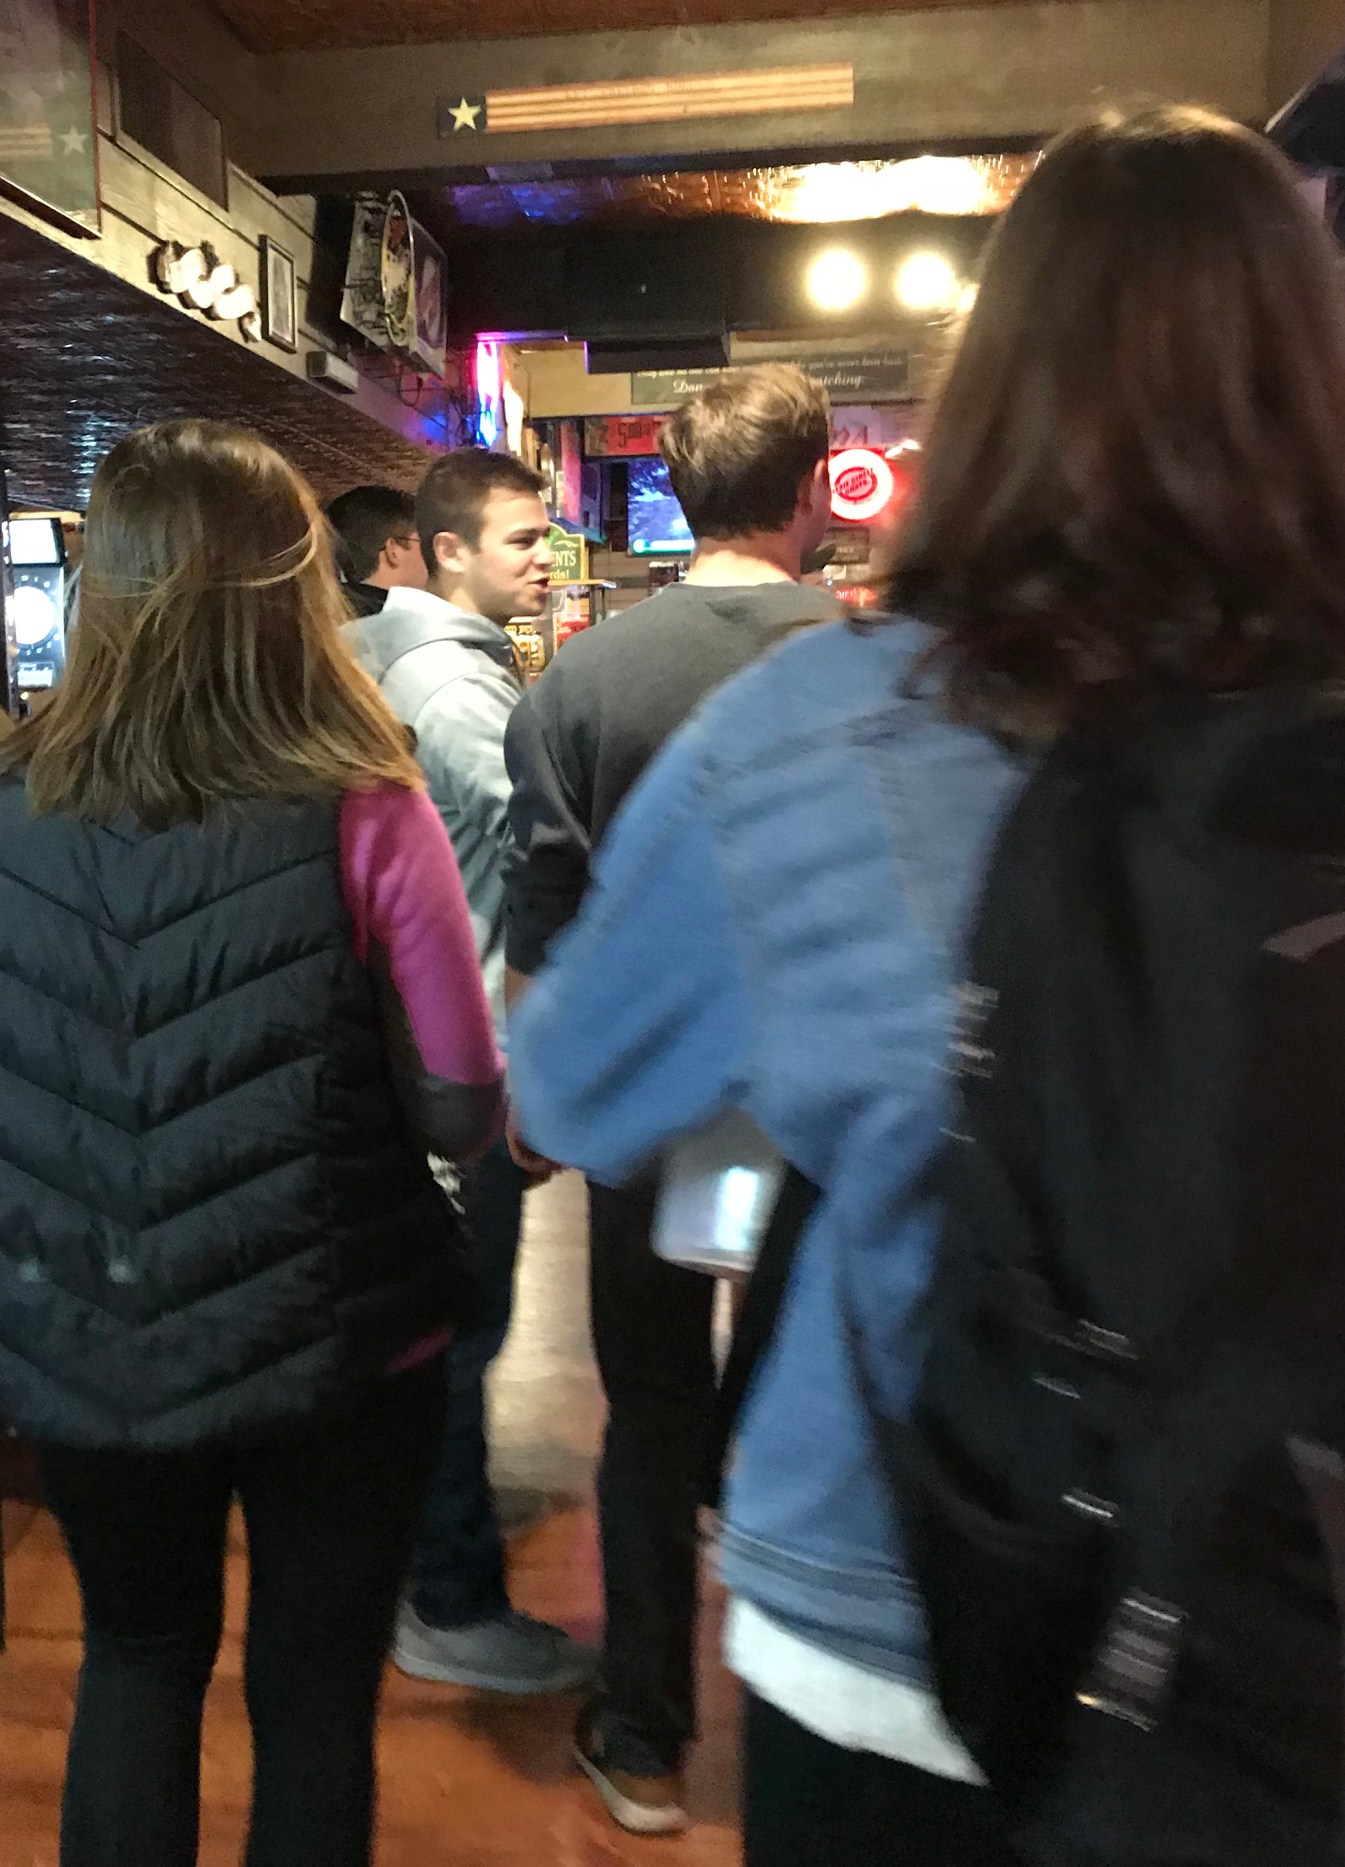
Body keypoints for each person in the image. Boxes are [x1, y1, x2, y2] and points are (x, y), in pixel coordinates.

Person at [506, 105, 1345, 1866]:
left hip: (905, 1594)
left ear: (985, 395)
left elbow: (573, 1089)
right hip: (1324, 1616)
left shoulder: (815, 735)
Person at [0, 420, 506, 1867]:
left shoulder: (6, 809)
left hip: (88, 1325)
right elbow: (463, 1094)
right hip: (333, 1326)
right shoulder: (366, 796)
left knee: (137, 1653)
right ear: (290, 586)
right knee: (312, 1689)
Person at [503, 363, 840, 1833]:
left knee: (650, 1404)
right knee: (815, 1398)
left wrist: (543, 1095)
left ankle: (643, 1731)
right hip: (834, 1107)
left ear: (677, 487)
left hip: (658, 1107)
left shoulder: (584, 678)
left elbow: (545, 928)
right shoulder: (881, 663)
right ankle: (820, 1737)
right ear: (817, 488)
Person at [348, 447, 592, 1695]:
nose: (541, 559)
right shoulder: (454, 691)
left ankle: (416, 1553)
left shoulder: (386, 663)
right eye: (520, 540)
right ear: (444, 550)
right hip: (465, 1056)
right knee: (459, 1329)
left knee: (429, 1330)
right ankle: (444, 1597)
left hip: (407, 1052)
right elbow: (545, 869)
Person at [325, 482, 428, 618]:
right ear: (392, 551)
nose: (432, 556)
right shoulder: (408, 629)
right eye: (426, 544)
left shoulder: (322, 616)